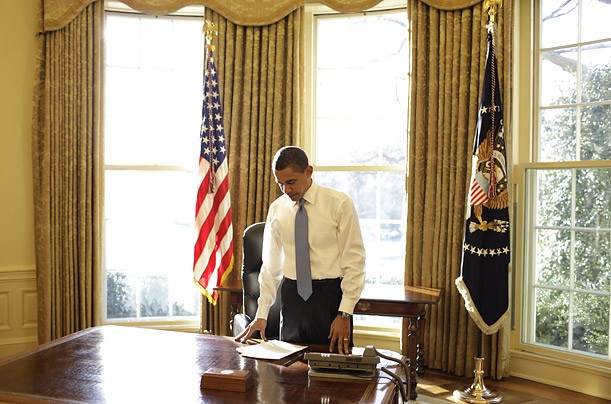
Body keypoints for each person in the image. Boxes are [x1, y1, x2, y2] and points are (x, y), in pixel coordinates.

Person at [235, 146, 366, 354]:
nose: (286, 190)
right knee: (289, 369)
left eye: (291, 182)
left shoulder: (339, 204)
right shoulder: (277, 210)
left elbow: (355, 262)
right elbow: (270, 267)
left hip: (328, 298)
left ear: (308, 171)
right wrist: (261, 315)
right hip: (292, 299)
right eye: (280, 184)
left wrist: (345, 313)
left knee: (332, 370)